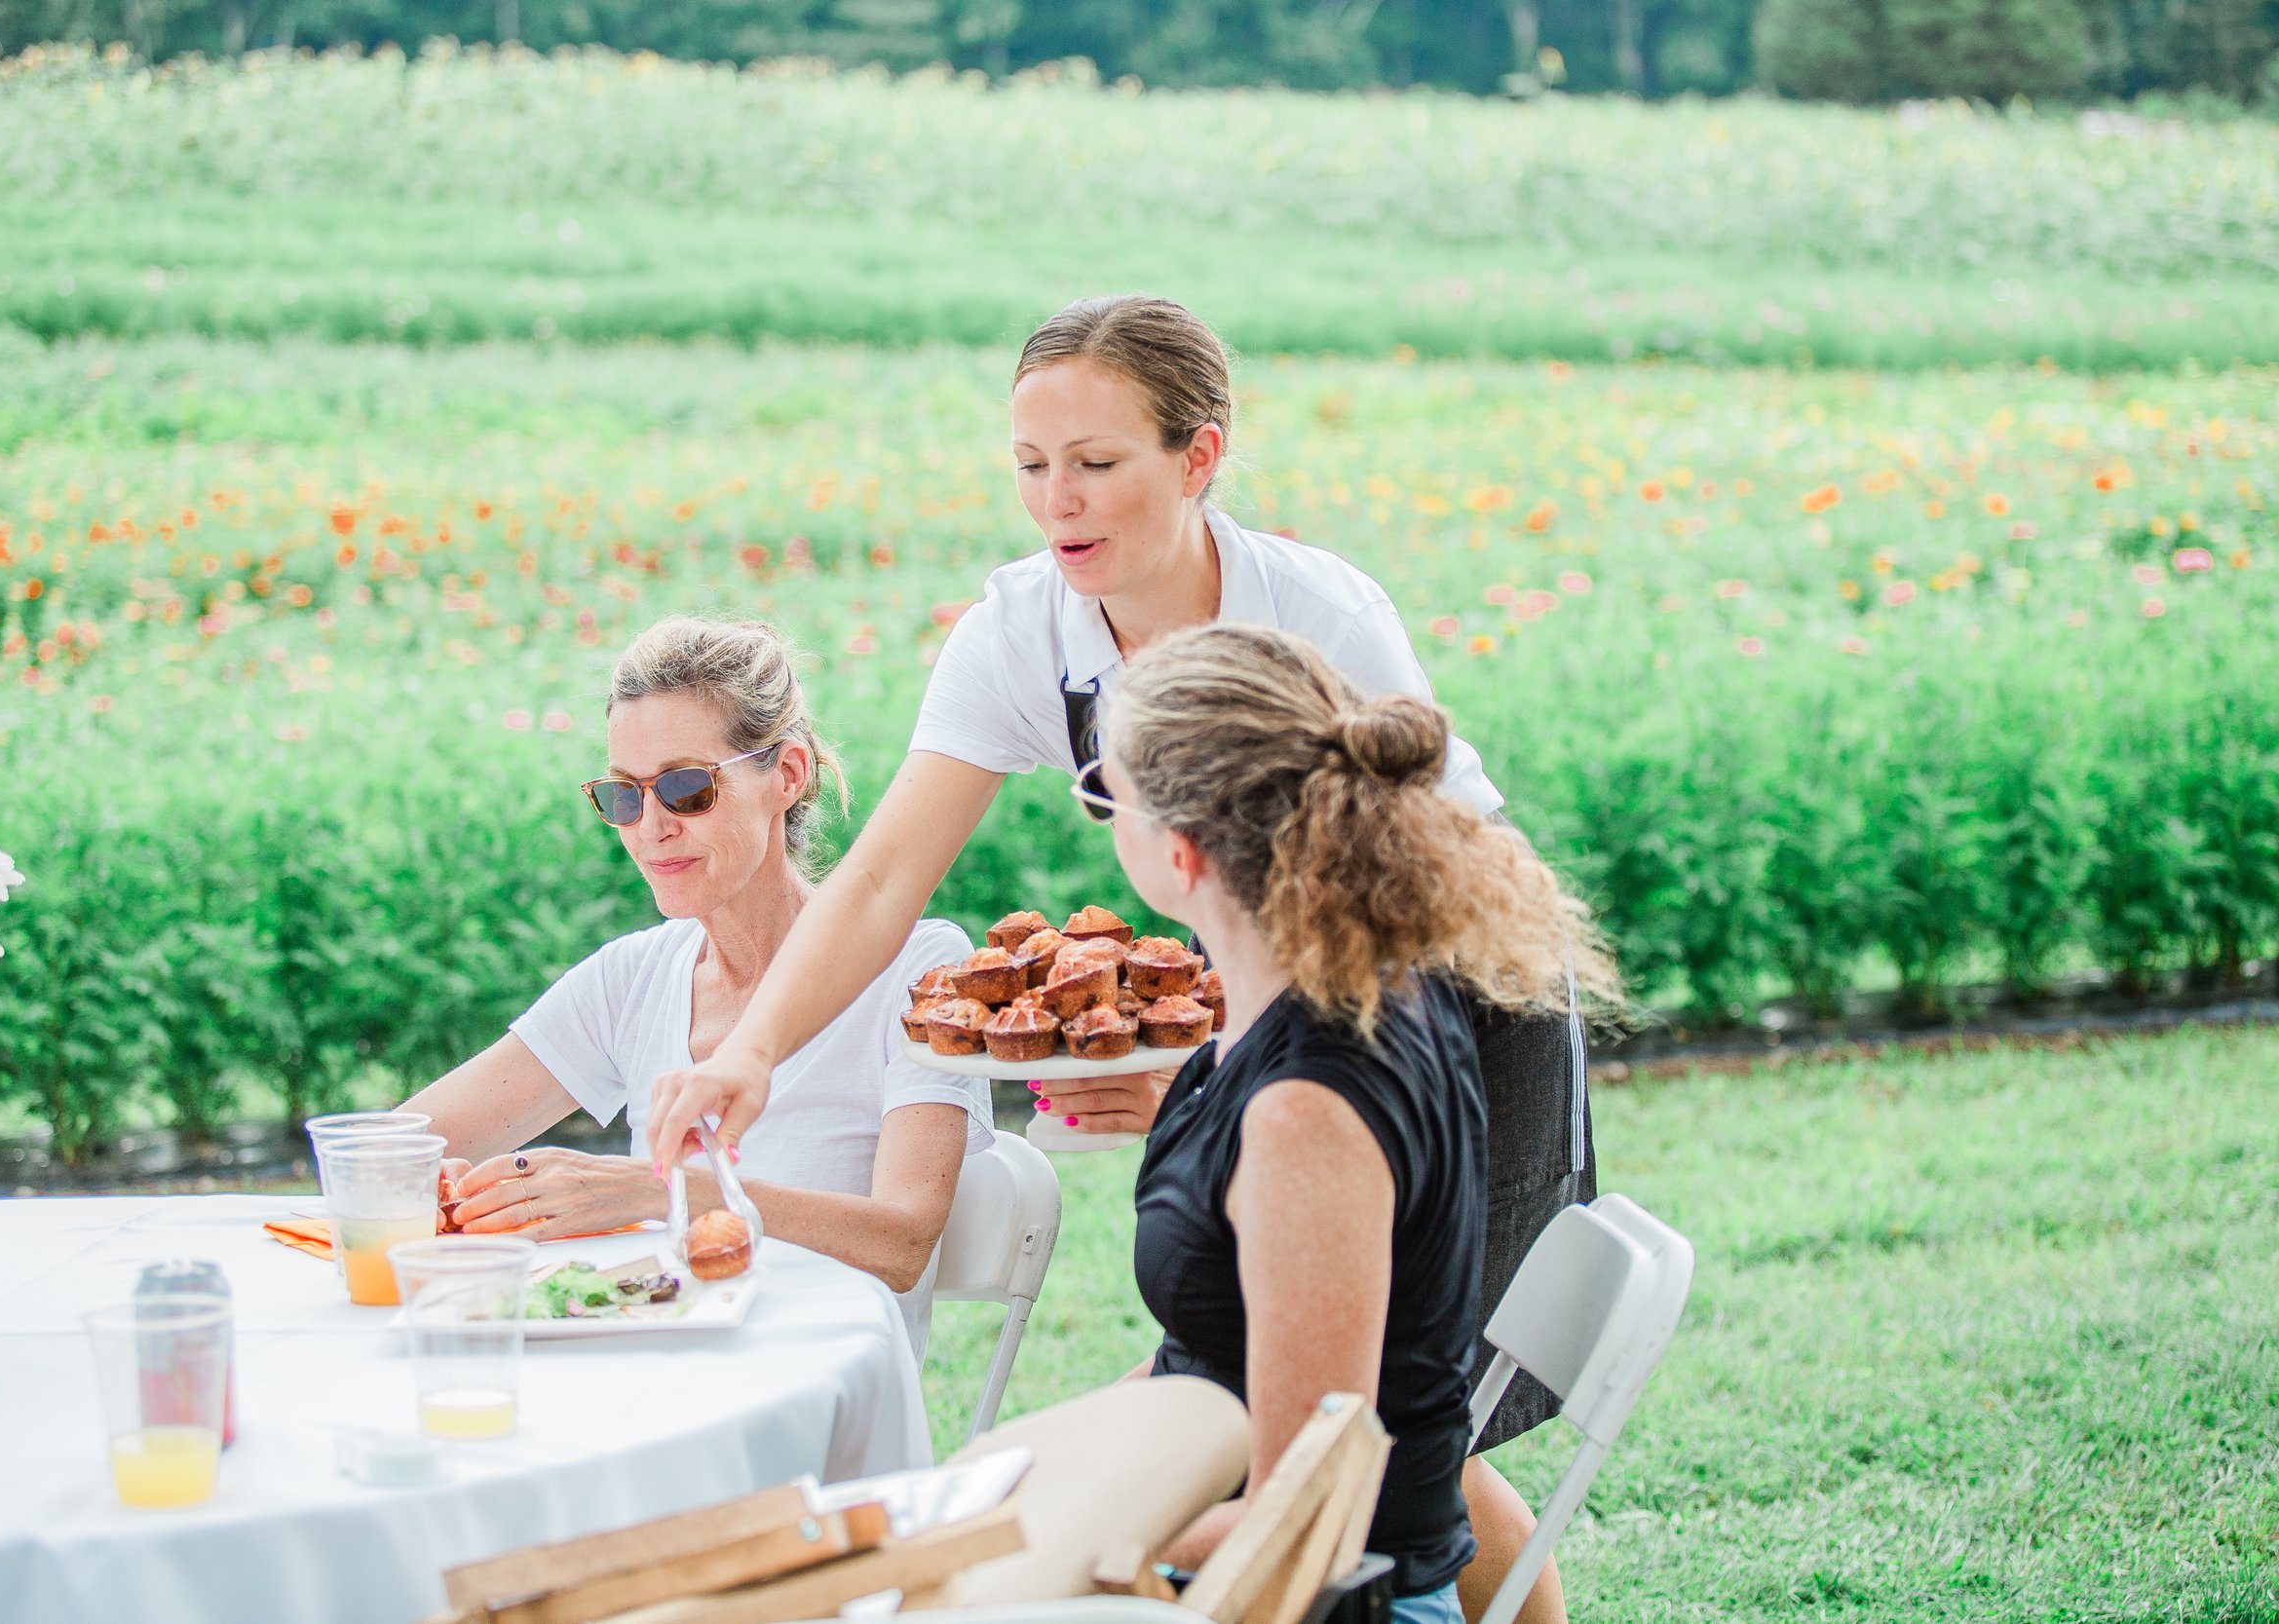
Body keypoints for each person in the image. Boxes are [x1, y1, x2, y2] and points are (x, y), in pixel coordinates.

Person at [648, 296, 1611, 1621]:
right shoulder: (1019, 633)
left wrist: (1266, 1096)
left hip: (1450, 988)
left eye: (1098, 462)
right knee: (1350, 1393)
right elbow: (878, 876)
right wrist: (748, 1049)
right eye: (1032, 465)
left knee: (1415, 1403)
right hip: (1287, 1003)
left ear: (1199, 456)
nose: (1059, 500)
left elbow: (1406, 884)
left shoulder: (1315, 609)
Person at [1093, 623, 1612, 1624]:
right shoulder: (1369, 984)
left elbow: (1311, 1529)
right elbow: (1224, 1357)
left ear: (1180, 848)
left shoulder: (1305, 1116)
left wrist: (1070, 1538)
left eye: (1101, 791)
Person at [402, 616, 990, 1356]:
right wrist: (441, 1190)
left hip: (819, 1394)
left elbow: (902, 1243)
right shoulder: (634, 977)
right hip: (653, 1377)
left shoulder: (919, 968)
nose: (650, 827)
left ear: (788, 774)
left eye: (685, 789)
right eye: (623, 795)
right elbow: (405, 1147)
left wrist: (658, 1190)